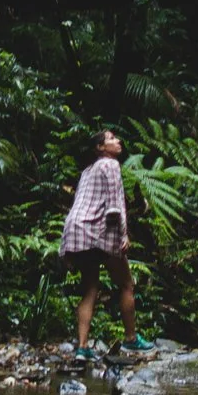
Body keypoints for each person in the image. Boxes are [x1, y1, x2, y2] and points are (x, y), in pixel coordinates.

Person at [59, 129, 151, 358]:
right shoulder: (110, 165)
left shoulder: (87, 171)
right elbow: (114, 204)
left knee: (90, 289)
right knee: (127, 284)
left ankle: (82, 348)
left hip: (75, 230)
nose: (118, 141)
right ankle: (131, 339)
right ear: (100, 147)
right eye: (111, 139)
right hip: (96, 229)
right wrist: (123, 235)